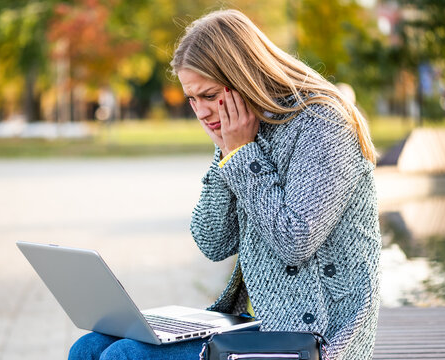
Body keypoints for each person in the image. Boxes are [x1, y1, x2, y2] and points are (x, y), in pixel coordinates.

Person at [69, 9, 381, 360]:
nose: (200, 111)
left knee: (124, 356)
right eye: (191, 98)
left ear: (243, 77)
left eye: (208, 95)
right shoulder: (242, 128)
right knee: (90, 346)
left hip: (314, 337)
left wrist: (240, 152)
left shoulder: (322, 124)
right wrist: (225, 152)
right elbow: (213, 241)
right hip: (255, 324)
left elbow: (295, 240)